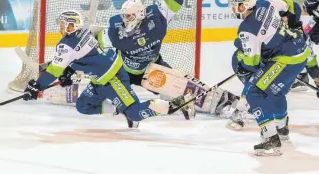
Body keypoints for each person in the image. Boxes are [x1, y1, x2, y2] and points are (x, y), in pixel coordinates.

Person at [23, 9, 197, 128]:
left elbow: (54, 70)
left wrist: (37, 86)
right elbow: (85, 56)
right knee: (83, 106)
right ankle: (120, 109)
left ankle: (178, 104)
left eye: (64, 24)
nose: (61, 28)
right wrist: (69, 70)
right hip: (101, 78)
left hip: (113, 78)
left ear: (72, 26)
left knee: (135, 113)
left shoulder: (66, 44)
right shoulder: (84, 32)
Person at [96, 0, 198, 120]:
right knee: (101, 93)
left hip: (152, 68)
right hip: (123, 71)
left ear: (139, 14)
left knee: (181, 93)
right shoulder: (117, 29)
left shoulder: (156, 18)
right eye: (124, 16)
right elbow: (95, 41)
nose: (124, 20)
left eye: (129, 16)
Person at [226, 0, 309, 156]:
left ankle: (271, 139)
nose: (234, 9)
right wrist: (290, 22)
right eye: (233, 5)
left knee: (255, 93)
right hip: (301, 50)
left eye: (237, 5)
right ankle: (281, 127)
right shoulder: (265, 4)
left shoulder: (246, 29)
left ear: (245, 5)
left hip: (286, 58)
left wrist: (241, 63)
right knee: (276, 92)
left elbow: (252, 62)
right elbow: (288, 5)